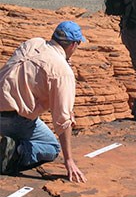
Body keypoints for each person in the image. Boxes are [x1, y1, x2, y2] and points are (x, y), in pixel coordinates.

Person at [0, 21, 87, 183]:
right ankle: (15, 152)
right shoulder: (61, 71)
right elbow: (63, 120)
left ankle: (10, 143)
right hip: (14, 119)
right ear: (74, 45)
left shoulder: (32, 42)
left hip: (5, 106)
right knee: (51, 148)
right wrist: (69, 161)